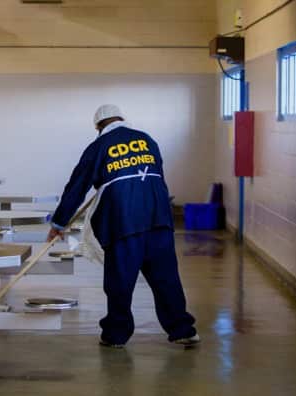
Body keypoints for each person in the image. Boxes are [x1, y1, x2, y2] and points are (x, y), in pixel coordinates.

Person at [47, 104, 199, 348]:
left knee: (120, 281)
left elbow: (77, 186)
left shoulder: (98, 146)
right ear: (121, 119)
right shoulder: (147, 140)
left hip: (124, 221)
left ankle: (116, 335)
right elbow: (156, 175)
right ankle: (183, 330)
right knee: (166, 278)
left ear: (98, 126)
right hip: (158, 218)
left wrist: (59, 222)